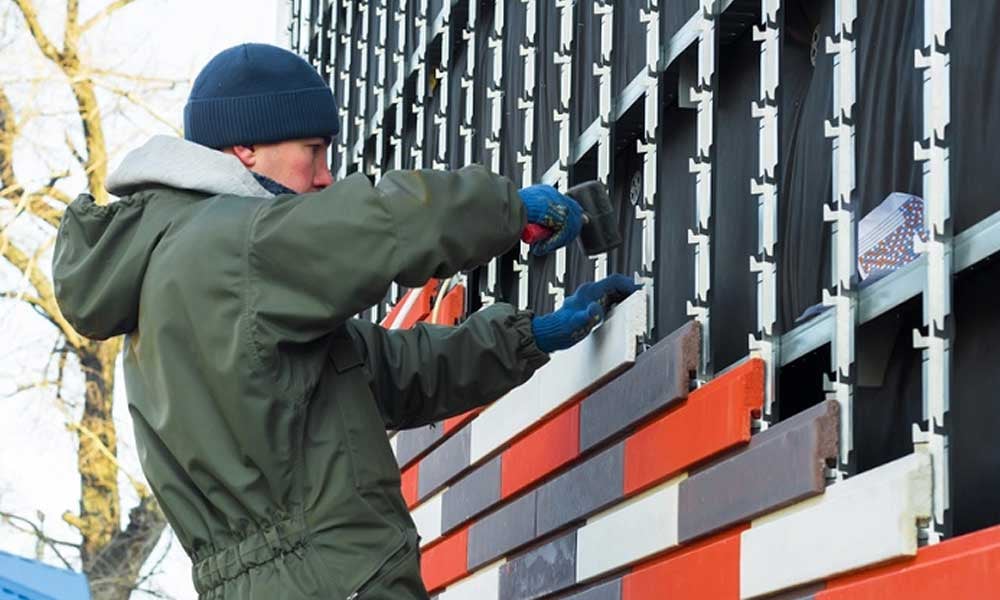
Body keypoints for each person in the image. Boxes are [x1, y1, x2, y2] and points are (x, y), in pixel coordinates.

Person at [52, 43, 639, 599]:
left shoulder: (183, 271)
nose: (326, 175)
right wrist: (508, 208)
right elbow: (380, 225)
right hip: (330, 578)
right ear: (246, 149)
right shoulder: (231, 243)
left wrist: (529, 337)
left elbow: (378, 374)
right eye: (314, 150)